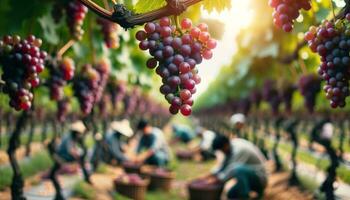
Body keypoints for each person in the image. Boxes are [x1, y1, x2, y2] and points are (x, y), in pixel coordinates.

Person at [201, 134, 267, 199]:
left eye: (222, 150)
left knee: (238, 169)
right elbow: (224, 165)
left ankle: (245, 197)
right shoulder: (230, 147)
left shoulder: (240, 149)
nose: (222, 152)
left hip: (260, 178)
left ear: (225, 145)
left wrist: (217, 179)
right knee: (231, 194)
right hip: (250, 178)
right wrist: (210, 174)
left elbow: (230, 170)